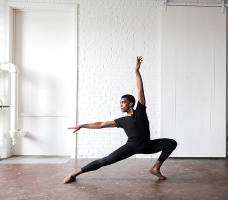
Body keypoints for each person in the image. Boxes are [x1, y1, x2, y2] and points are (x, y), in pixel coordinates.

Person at [63, 56, 177, 184]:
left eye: (123, 102)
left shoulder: (141, 111)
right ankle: (75, 173)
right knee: (105, 161)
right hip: (131, 147)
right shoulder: (122, 121)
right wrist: (82, 125)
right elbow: (101, 124)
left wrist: (137, 72)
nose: (120, 104)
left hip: (147, 146)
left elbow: (140, 89)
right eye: (120, 102)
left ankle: (155, 168)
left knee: (171, 143)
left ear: (131, 103)